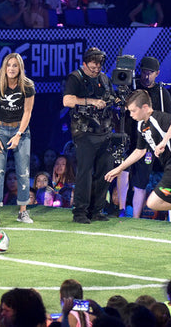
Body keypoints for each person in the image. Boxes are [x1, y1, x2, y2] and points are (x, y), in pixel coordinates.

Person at [105, 90, 171, 253]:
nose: (131, 114)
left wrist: (165, 140)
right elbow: (139, 151)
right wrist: (119, 168)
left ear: (145, 107)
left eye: (133, 110)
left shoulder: (157, 117)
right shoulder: (141, 125)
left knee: (153, 202)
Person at [63, 47, 115, 224]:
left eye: (99, 64)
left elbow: (112, 98)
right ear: (84, 63)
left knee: (105, 171)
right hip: (84, 133)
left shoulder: (104, 78)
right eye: (93, 64)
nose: (96, 68)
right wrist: (91, 101)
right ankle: (80, 212)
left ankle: (97, 210)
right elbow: (67, 101)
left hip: (105, 132)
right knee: (84, 173)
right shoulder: (75, 77)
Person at [0, 52, 35, 225]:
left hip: (20, 129)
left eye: (15, 65)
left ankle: (23, 211)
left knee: (23, 171)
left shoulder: (28, 86)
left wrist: (19, 135)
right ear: (4, 67)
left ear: (20, 68)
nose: (11, 69)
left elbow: (28, 112)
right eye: (9, 65)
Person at [124, 56, 171, 219]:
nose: (146, 76)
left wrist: (165, 142)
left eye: (150, 72)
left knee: (151, 180)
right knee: (131, 177)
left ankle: (141, 218)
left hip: (152, 144)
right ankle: (128, 214)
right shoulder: (132, 88)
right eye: (144, 72)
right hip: (133, 140)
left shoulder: (162, 93)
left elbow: (170, 119)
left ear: (157, 73)